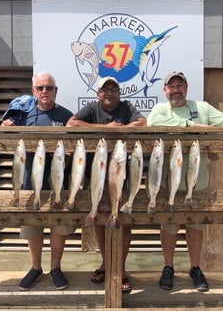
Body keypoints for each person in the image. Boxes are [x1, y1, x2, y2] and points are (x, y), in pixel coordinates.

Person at [147, 71, 223, 292]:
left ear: (186, 87)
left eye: (180, 85)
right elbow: (154, 122)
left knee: (195, 225)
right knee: (169, 225)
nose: (176, 90)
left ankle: (195, 268)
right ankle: (168, 267)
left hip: (198, 181)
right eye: (171, 86)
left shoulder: (202, 108)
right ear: (165, 90)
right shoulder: (159, 110)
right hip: (168, 182)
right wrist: (194, 127)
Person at [66, 76, 147, 293]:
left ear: (119, 93)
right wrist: (105, 127)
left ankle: (120, 268)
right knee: (101, 222)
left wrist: (121, 129)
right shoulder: (92, 108)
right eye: (105, 89)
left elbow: (142, 123)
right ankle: (105, 264)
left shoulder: (127, 107)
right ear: (98, 93)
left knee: (124, 222)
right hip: (96, 176)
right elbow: (71, 123)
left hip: (123, 176)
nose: (109, 93)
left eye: (113, 89)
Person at [1, 72, 75, 290]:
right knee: (33, 226)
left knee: (59, 226)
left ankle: (55, 268)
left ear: (56, 91)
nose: (45, 92)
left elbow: (72, 148)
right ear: (33, 91)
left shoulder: (67, 116)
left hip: (59, 185)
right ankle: (35, 267)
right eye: (40, 88)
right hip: (29, 183)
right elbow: (8, 136)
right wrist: (7, 128)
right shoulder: (23, 113)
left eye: (49, 88)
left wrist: (68, 158)